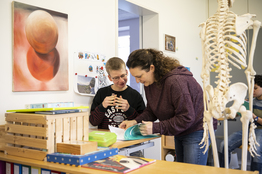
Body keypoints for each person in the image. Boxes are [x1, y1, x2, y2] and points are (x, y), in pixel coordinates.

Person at [119, 48, 217, 165]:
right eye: (134, 77)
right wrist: (134, 121)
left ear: (151, 68)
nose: (137, 81)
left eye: (139, 76)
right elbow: (152, 111)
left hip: (197, 128)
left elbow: (186, 118)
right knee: (181, 169)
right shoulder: (150, 83)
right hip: (181, 130)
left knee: (192, 170)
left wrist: (155, 128)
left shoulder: (176, 82)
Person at [219, 75, 262, 173]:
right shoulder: (250, 101)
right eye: (252, 88)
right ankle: (221, 171)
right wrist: (236, 109)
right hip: (248, 129)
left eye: (255, 88)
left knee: (256, 151)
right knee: (224, 145)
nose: (253, 91)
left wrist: (255, 117)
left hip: (260, 130)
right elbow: (237, 114)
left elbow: (254, 118)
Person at [89, 57, 145, 129]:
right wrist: (102, 106)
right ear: (109, 78)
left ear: (127, 72)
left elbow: (141, 124)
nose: (121, 80)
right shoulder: (102, 93)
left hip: (128, 138)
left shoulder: (135, 96)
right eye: (116, 78)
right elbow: (93, 122)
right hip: (106, 138)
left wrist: (129, 109)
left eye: (122, 75)